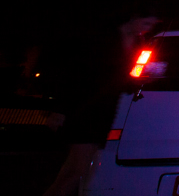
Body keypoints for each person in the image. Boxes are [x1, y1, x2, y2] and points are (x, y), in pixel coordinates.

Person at [43, 11, 160, 196]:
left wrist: (140, 80)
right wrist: (60, 109)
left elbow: (120, 79)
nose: (147, 29)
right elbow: (77, 75)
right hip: (84, 108)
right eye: (146, 23)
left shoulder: (137, 44)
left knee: (74, 169)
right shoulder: (103, 38)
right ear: (134, 18)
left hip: (103, 111)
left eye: (151, 25)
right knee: (78, 170)